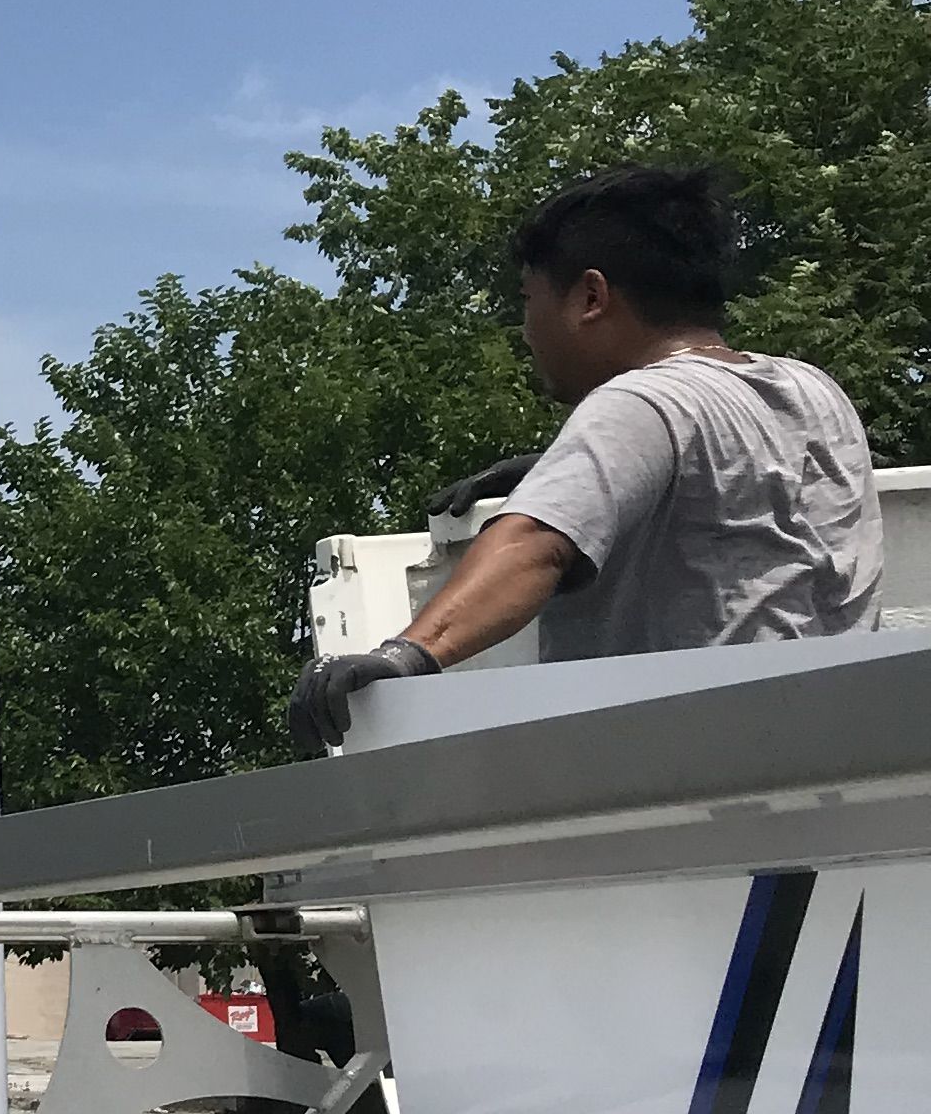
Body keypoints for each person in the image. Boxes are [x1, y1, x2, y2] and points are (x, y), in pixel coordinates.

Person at [290, 165, 882, 752]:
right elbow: (739, 497)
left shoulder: (641, 400)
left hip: (690, 775)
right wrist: (555, 469)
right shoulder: (811, 390)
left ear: (591, 297)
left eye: (529, 300)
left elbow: (533, 547)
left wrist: (405, 656)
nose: (525, 329)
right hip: (839, 752)